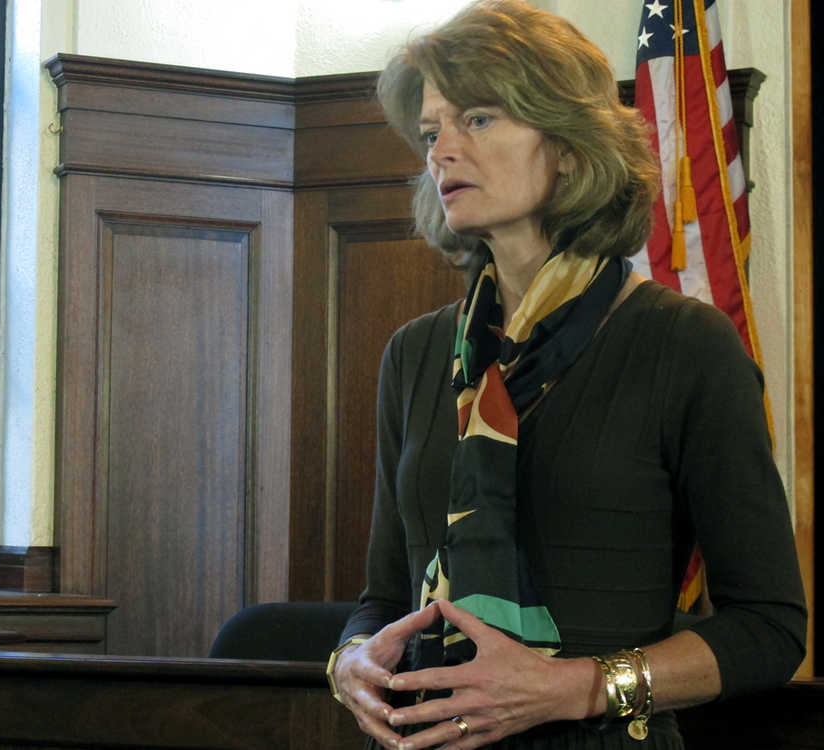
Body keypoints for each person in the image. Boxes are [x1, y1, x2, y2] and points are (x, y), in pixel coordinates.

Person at [324, 2, 807, 749]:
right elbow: (383, 596)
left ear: (574, 148)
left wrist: (576, 688)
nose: (442, 150)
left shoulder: (683, 343)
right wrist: (350, 660)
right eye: (431, 132)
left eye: (478, 119)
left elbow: (770, 630)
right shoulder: (416, 354)